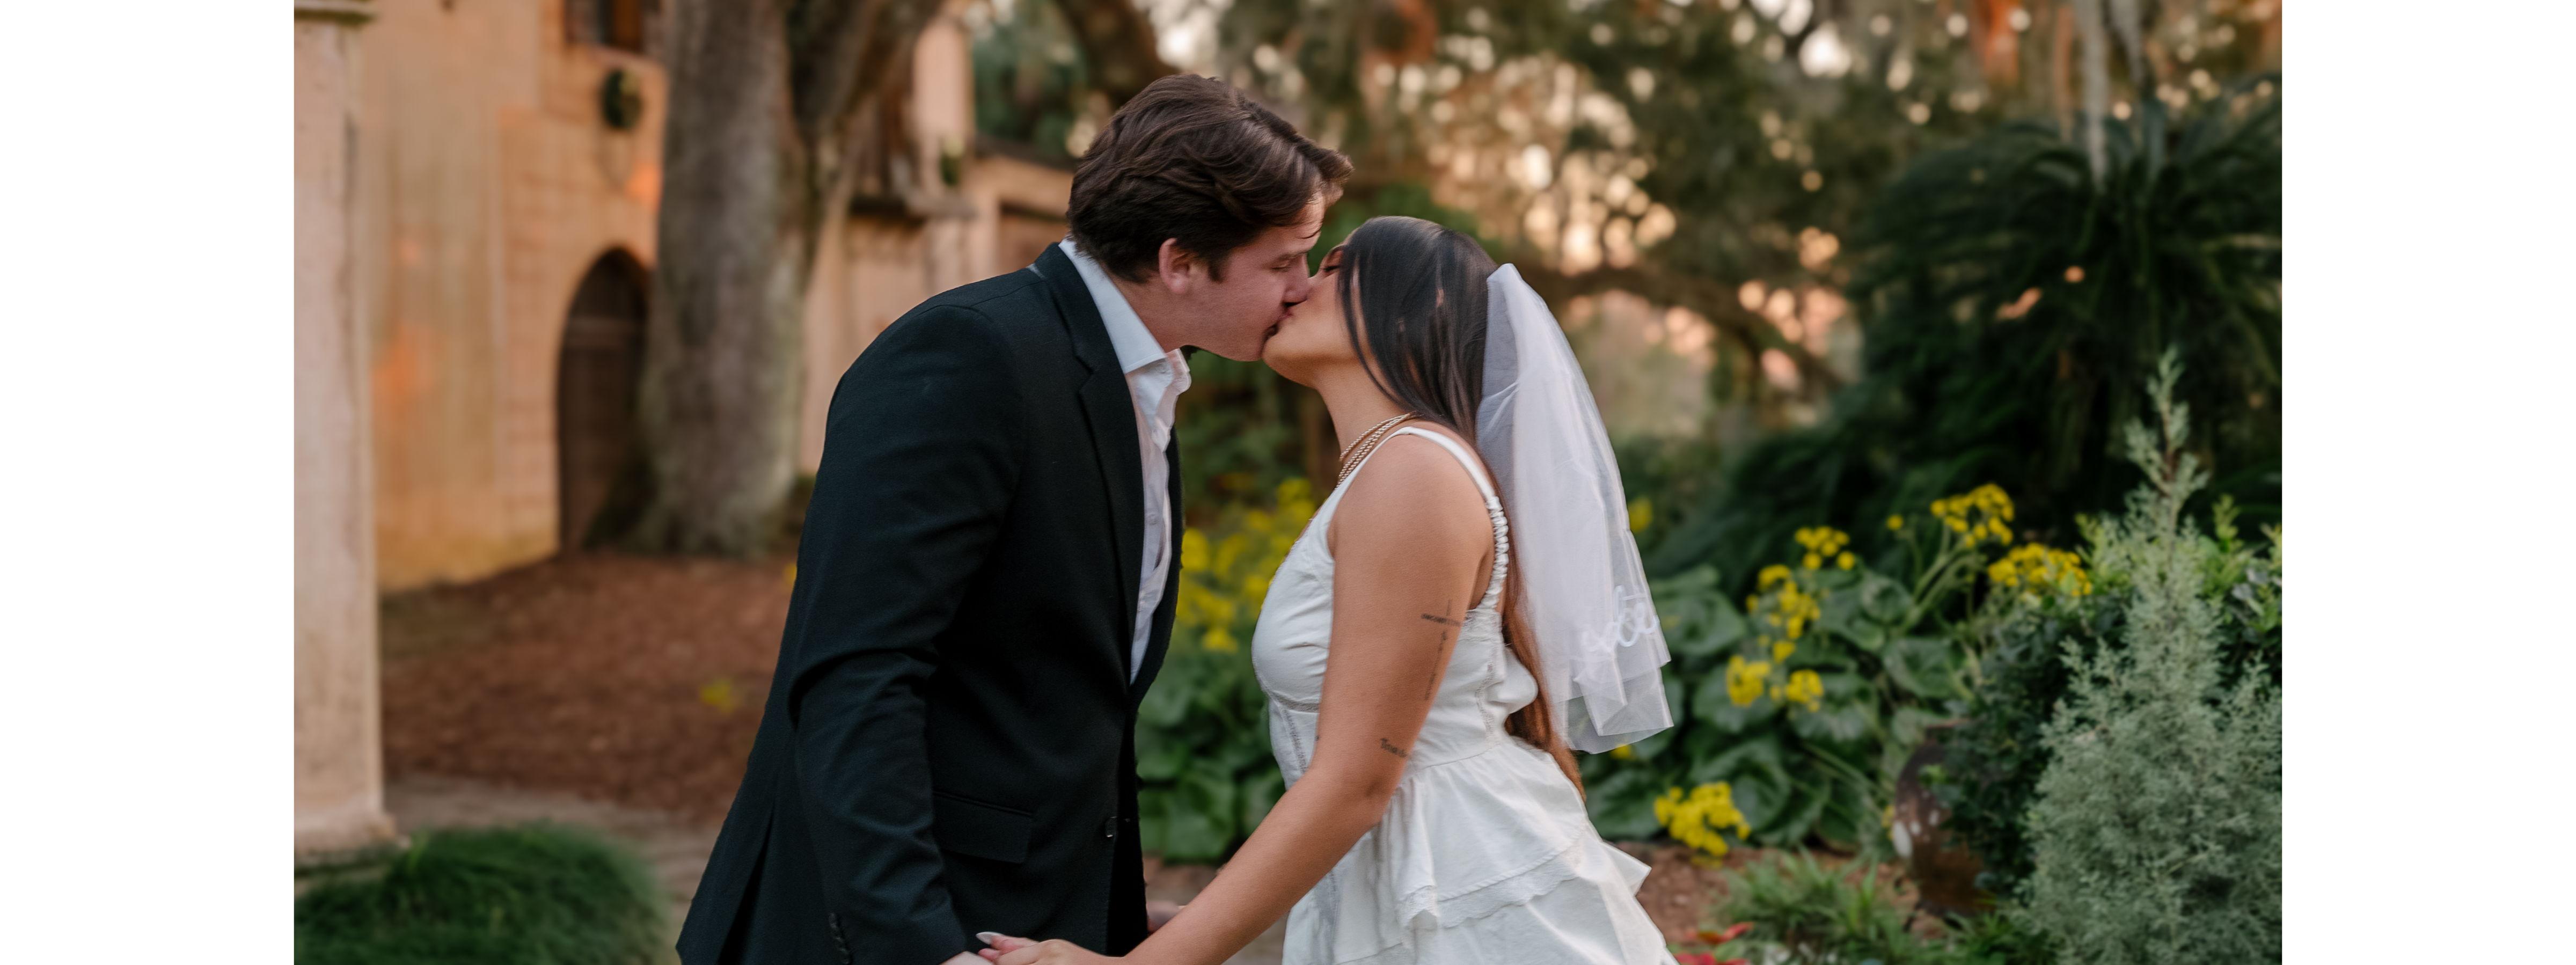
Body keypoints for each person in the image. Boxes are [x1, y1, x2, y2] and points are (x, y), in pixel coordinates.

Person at [675, 75, 1351, 965]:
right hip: (877, 932)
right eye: (1284, 261)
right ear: (1182, 261)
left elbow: (1053, 694)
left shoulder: (1141, 381)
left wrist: (1111, 909)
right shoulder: (970, 355)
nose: (1301, 289)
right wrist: (925, 947)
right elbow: (858, 673)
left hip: (1026, 917)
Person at [977, 216, 1680, 965]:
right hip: (1407, 882)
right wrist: (1189, 922)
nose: (1298, 287)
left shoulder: (1414, 474)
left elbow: (1356, 781)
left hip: (1470, 896)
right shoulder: (1389, 471)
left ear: (1417, 310)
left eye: (1335, 266)